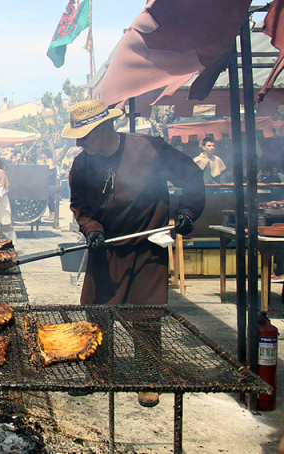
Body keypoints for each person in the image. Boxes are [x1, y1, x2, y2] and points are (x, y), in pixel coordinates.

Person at [64, 99, 205, 409]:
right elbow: (80, 205)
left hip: (146, 243)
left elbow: (191, 176)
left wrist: (187, 212)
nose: (79, 143)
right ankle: (99, 371)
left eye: (84, 135)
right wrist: (92, 228)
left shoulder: (150, 149)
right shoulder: (82, 164)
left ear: (103, 128)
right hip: (106, 244)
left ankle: (148, 375)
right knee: (97, 311)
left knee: (146, 313)